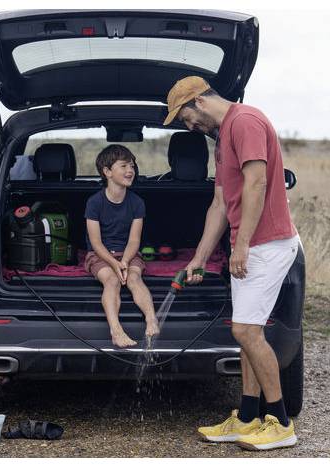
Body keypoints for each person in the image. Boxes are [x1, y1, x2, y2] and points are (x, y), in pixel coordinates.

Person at [164, 76, 301, 450]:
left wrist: (240, 247)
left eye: (185, 117)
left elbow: (257, 183)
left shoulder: (246, 122)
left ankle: (281, 423)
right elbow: (220, 204)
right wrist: (199, 257)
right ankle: (246, 418)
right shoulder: (223, 138)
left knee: (246, 332)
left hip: (267, 245)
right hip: (250, 246)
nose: (187, 126)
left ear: (199, 102)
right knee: (246, 333)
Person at [84, 145, 159, 348]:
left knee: (134, 278)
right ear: (107, 172)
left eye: (132, 165)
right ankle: (116, 331)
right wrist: (113, 263)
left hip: (128, 252)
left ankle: (151, 319)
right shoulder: (94, 203)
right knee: (112, 280)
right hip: (100, 254)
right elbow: (96, 242)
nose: (130, 170)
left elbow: (134, 240)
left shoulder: (137, 203)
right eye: (124, 165)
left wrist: (125, 261)